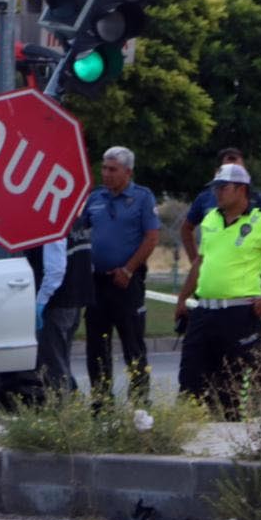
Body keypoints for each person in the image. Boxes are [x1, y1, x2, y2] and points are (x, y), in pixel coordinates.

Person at [175, 163, 261, 420]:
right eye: (216, 188)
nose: (217, 193)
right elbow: (202, 261)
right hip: (204, 312)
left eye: (223, 187)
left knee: (233, 389)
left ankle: (236, 434)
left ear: (241, 189)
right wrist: (183, 298)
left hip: (238, 315)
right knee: (190, 383)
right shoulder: (210, 219)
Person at [82, 146, 160, 402]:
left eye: (113, 169)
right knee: (96, 346)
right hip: (98, 282)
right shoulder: (95, 198)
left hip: (126, 282)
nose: (106, 174)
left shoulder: (142, 197)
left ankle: (139, 402)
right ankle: (101, 401)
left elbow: (151, 237)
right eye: (104, 168)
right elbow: (81, 230)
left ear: (128, 172)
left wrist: (128, 269)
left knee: (133, 345)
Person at [179, 148, 261, 269]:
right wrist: (195, 263)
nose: (235, 175)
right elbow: (186, 229)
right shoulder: (205, 198)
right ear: (218, 172)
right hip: (212, 271)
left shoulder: (256, 198)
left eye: (239, 170)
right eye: (228, 170)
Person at [30, 215, 93, 394]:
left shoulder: (53, 222)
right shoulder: (75, 219)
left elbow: (56, 269)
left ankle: (62, 406)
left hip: (56, 301)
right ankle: (70, 400)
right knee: (62, 359)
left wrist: (41, 300)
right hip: (75, 298)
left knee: (54, 364)